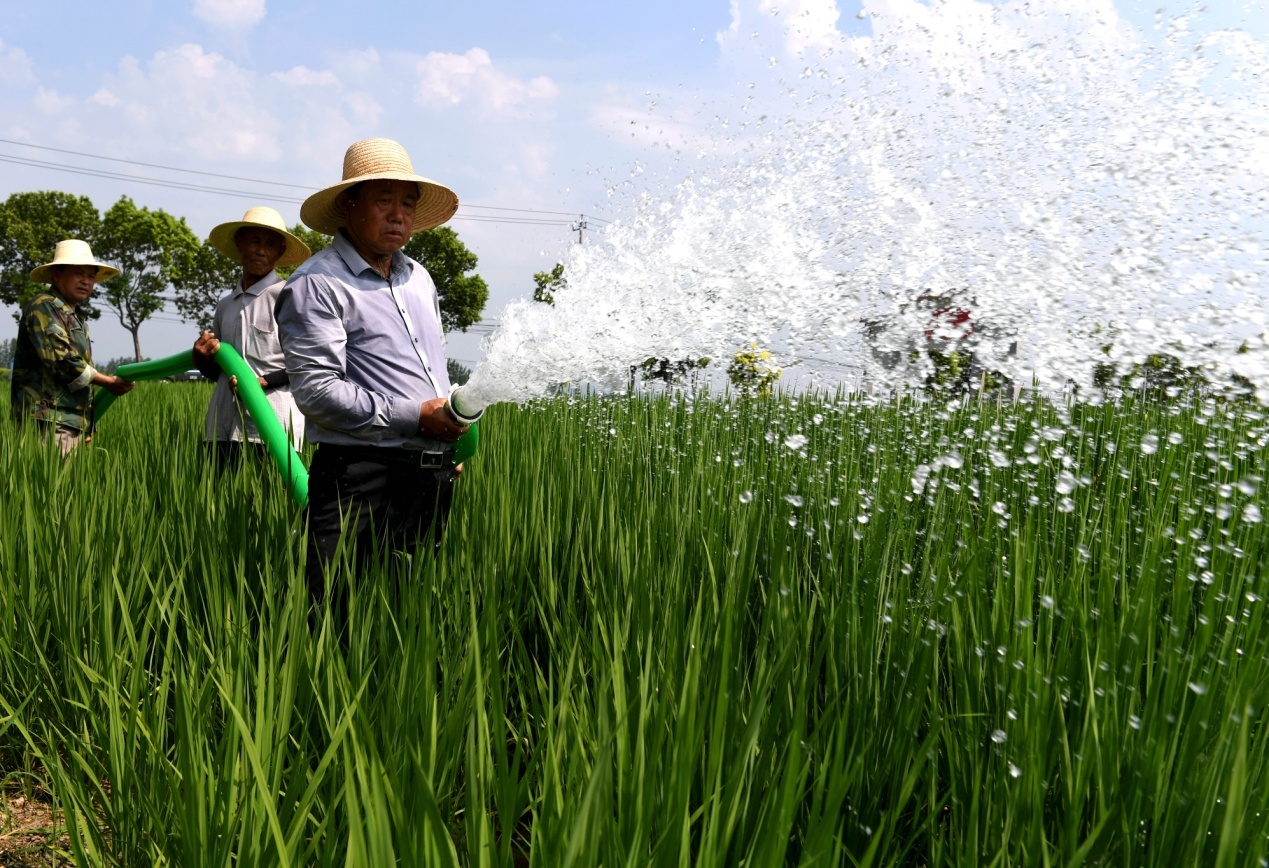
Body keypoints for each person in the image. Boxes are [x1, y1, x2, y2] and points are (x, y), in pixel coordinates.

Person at [275, 138, 477, 607]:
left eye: (407, 203)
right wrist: (418, 418)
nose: (399, 215)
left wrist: (445, 440)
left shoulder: (419, 278)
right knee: (333, 621)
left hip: (430, 477)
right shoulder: (317, 283)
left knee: (405, 619)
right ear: (349, 204)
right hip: (358, 481)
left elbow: (432, 372)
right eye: (384, 200)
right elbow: (318, 392)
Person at [190, 206, 311, 468]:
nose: (261, 250)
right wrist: (201, 359)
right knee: (219, 502)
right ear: (239, 243)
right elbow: (220, 371)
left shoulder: (289, 296)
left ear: (280, 252)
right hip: (223, 426)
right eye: (254, 240)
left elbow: (307, 361)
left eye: (269, 244)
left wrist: (263, 382)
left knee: (272, 505)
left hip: (273, 428)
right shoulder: (225, 305)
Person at [10, 240, 134, 455]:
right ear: (56, 276)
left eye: (91, 276)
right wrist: (108, 382)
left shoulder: (74, 316)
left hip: (68, 421)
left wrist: (87, 421)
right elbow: (62, 361)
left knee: (67, 488)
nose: (85, 282)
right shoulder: (44, 306)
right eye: (78, 273)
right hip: (47, 420)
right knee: (48, 487)